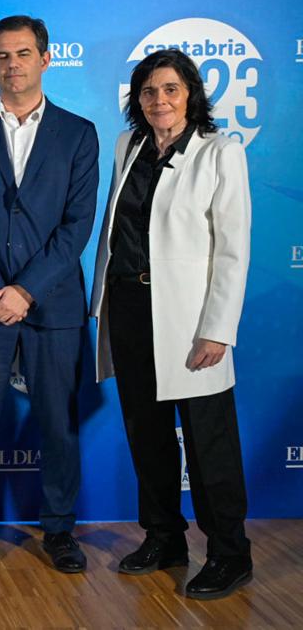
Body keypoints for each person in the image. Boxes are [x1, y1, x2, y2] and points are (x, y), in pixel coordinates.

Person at [91, 48, 252, 600]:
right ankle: (165, 537)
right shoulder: (127, 146)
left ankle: (231, 553)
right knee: (149, 436)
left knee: (210, 444)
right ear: (137, 99)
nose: (159, 100)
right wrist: (101, 308)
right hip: (131, 312)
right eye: (149, 91)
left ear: (191, 95)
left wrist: (218, 328)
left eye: (170, 89)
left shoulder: (220, 153)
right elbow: (117, 231)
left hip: (190, 322)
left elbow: (233, 250)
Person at [0, 15, 99, 573]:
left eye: (24, 53)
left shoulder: (79, 133)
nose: (13, 65)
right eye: (2, 56)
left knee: (57, 420)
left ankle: (58, 529)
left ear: (46, 58)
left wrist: (26, 290)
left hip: (51, 304)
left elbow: (77, 226)